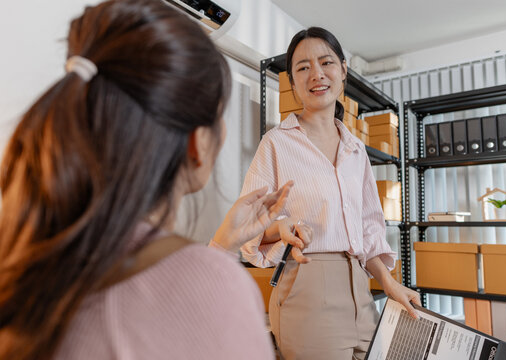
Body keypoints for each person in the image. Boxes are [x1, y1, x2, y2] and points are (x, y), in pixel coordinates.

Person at [0, 0, 292, 359]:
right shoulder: (215, 288)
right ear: (199, 143)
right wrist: (213, 267)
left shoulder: (25, 255)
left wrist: (221, 247)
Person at [240, 27, 421, 360]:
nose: (317, 74)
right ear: (292, 83)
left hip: (362, 293)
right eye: (303, 67)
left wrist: (390, 284)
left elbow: (369, 231)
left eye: (326, 63)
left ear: (343, 71)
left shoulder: (356, 150)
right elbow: (246, 229)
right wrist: (281, 229)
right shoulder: (276, 144)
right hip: (307, 290)